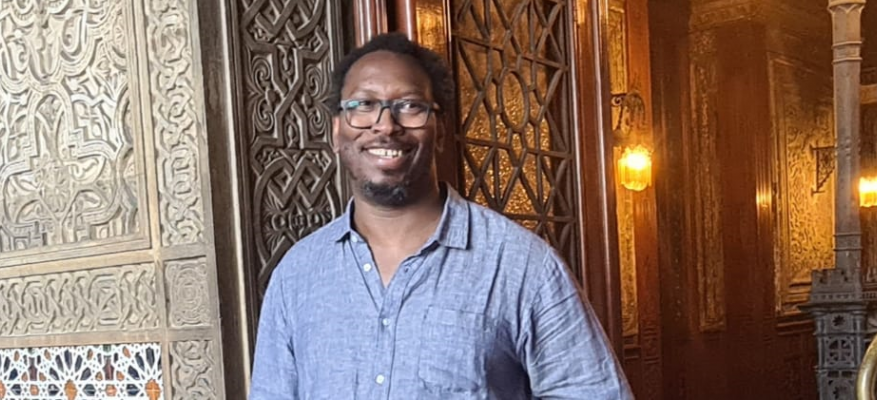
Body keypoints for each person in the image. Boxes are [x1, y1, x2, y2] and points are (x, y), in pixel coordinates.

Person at [249, 32, 633, 399]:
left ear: (441, 129)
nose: (385, 125)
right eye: (363, 105)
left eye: (410, 106)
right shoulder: (297, 275)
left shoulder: (521, 265)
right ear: (336, 131)